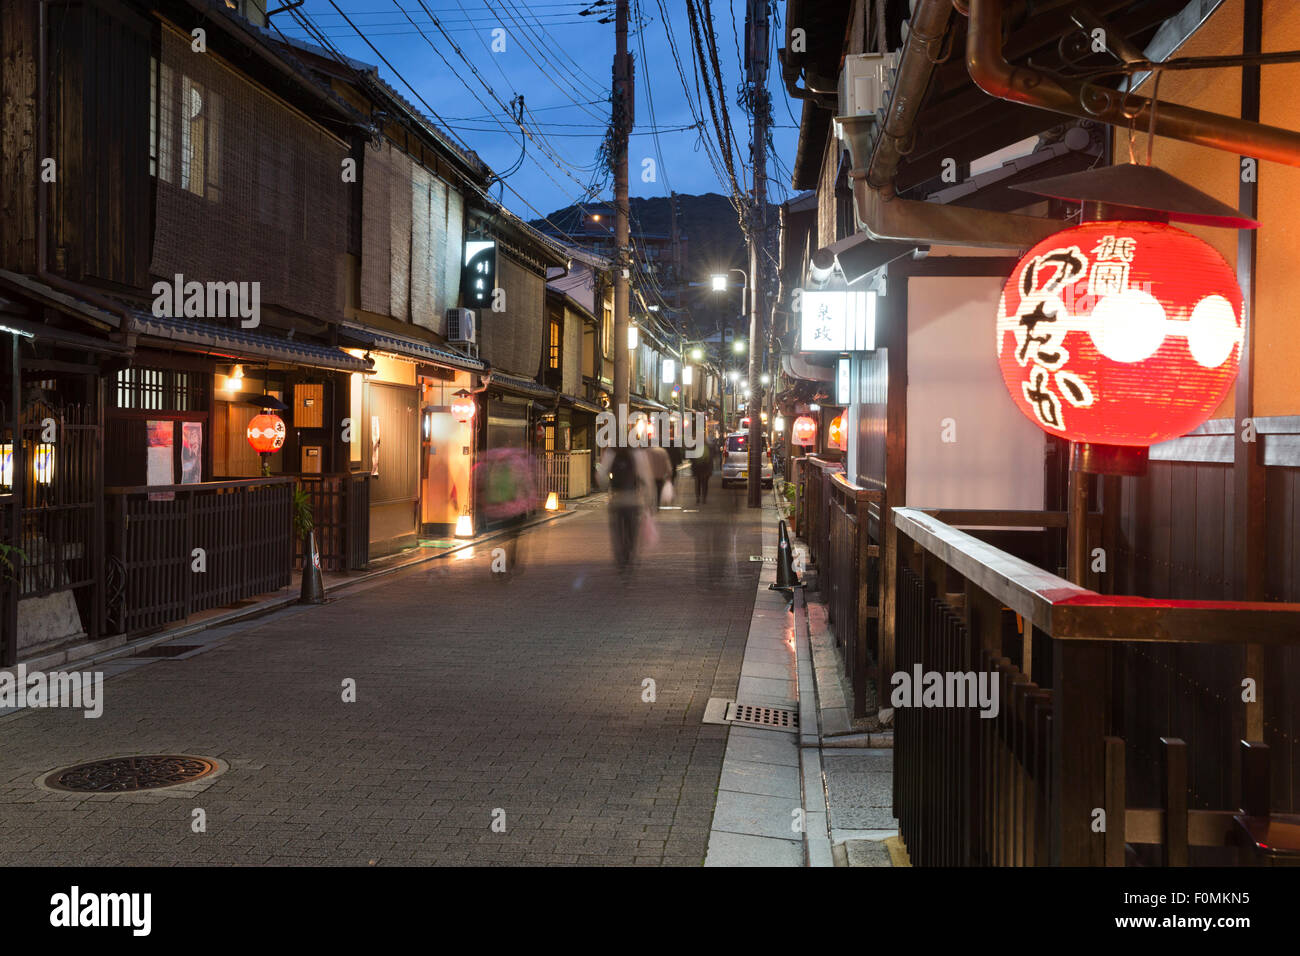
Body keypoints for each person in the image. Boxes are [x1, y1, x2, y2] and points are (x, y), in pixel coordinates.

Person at [597, 432, 654, 569]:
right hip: (633, 498)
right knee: (632, 528)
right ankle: (630, 552)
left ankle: (620, 554)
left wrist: (605, 488)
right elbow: (646, 477)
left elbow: (600, 476)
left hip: (616, 499)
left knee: (617, 529)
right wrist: (649, 497)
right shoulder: (637, 453)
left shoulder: (611, 453)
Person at [689, 437, 713, 505]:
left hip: (697, 468)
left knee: (697, 484)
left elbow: (691, 458)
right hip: (705, 468)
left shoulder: (694, 447)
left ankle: (698, 497)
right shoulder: (708, 447)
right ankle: (704, 498)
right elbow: (710, 459)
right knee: (704, 484)